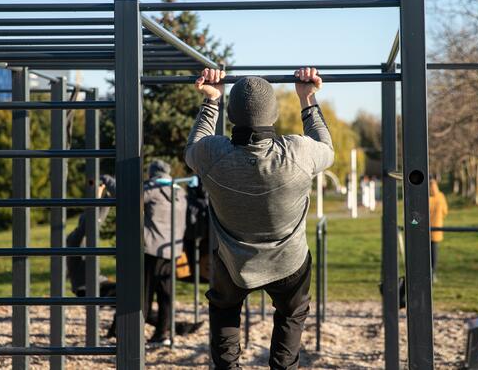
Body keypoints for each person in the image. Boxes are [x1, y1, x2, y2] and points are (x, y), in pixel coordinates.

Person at [185, 67, 334, 369]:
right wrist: (307, 100)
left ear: (232, 116)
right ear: (274, 115)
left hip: (233, 261)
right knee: (291, 314)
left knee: (224, 308)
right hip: (289, 262)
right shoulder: (297, 152)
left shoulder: (212, 155)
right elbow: (328, 150)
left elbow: (193, 146)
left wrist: (211, 100)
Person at [142, 159, 188, 345]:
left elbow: (126, 197)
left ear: (152, 173)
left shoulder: (151, 191)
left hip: (152, 248)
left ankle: (134, 334)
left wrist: (109, 182)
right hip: (172, 249)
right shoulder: (180, 192)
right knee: (166, 294)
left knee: (143, 294)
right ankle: (162, 333)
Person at [428, 179, 448, 283]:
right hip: (437, 229)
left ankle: (426, 274)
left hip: (425, 230)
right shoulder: (441, 196)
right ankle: (433, 274)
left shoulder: (426, 197)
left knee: (425, 253)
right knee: (434, 254)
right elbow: (445, 211)